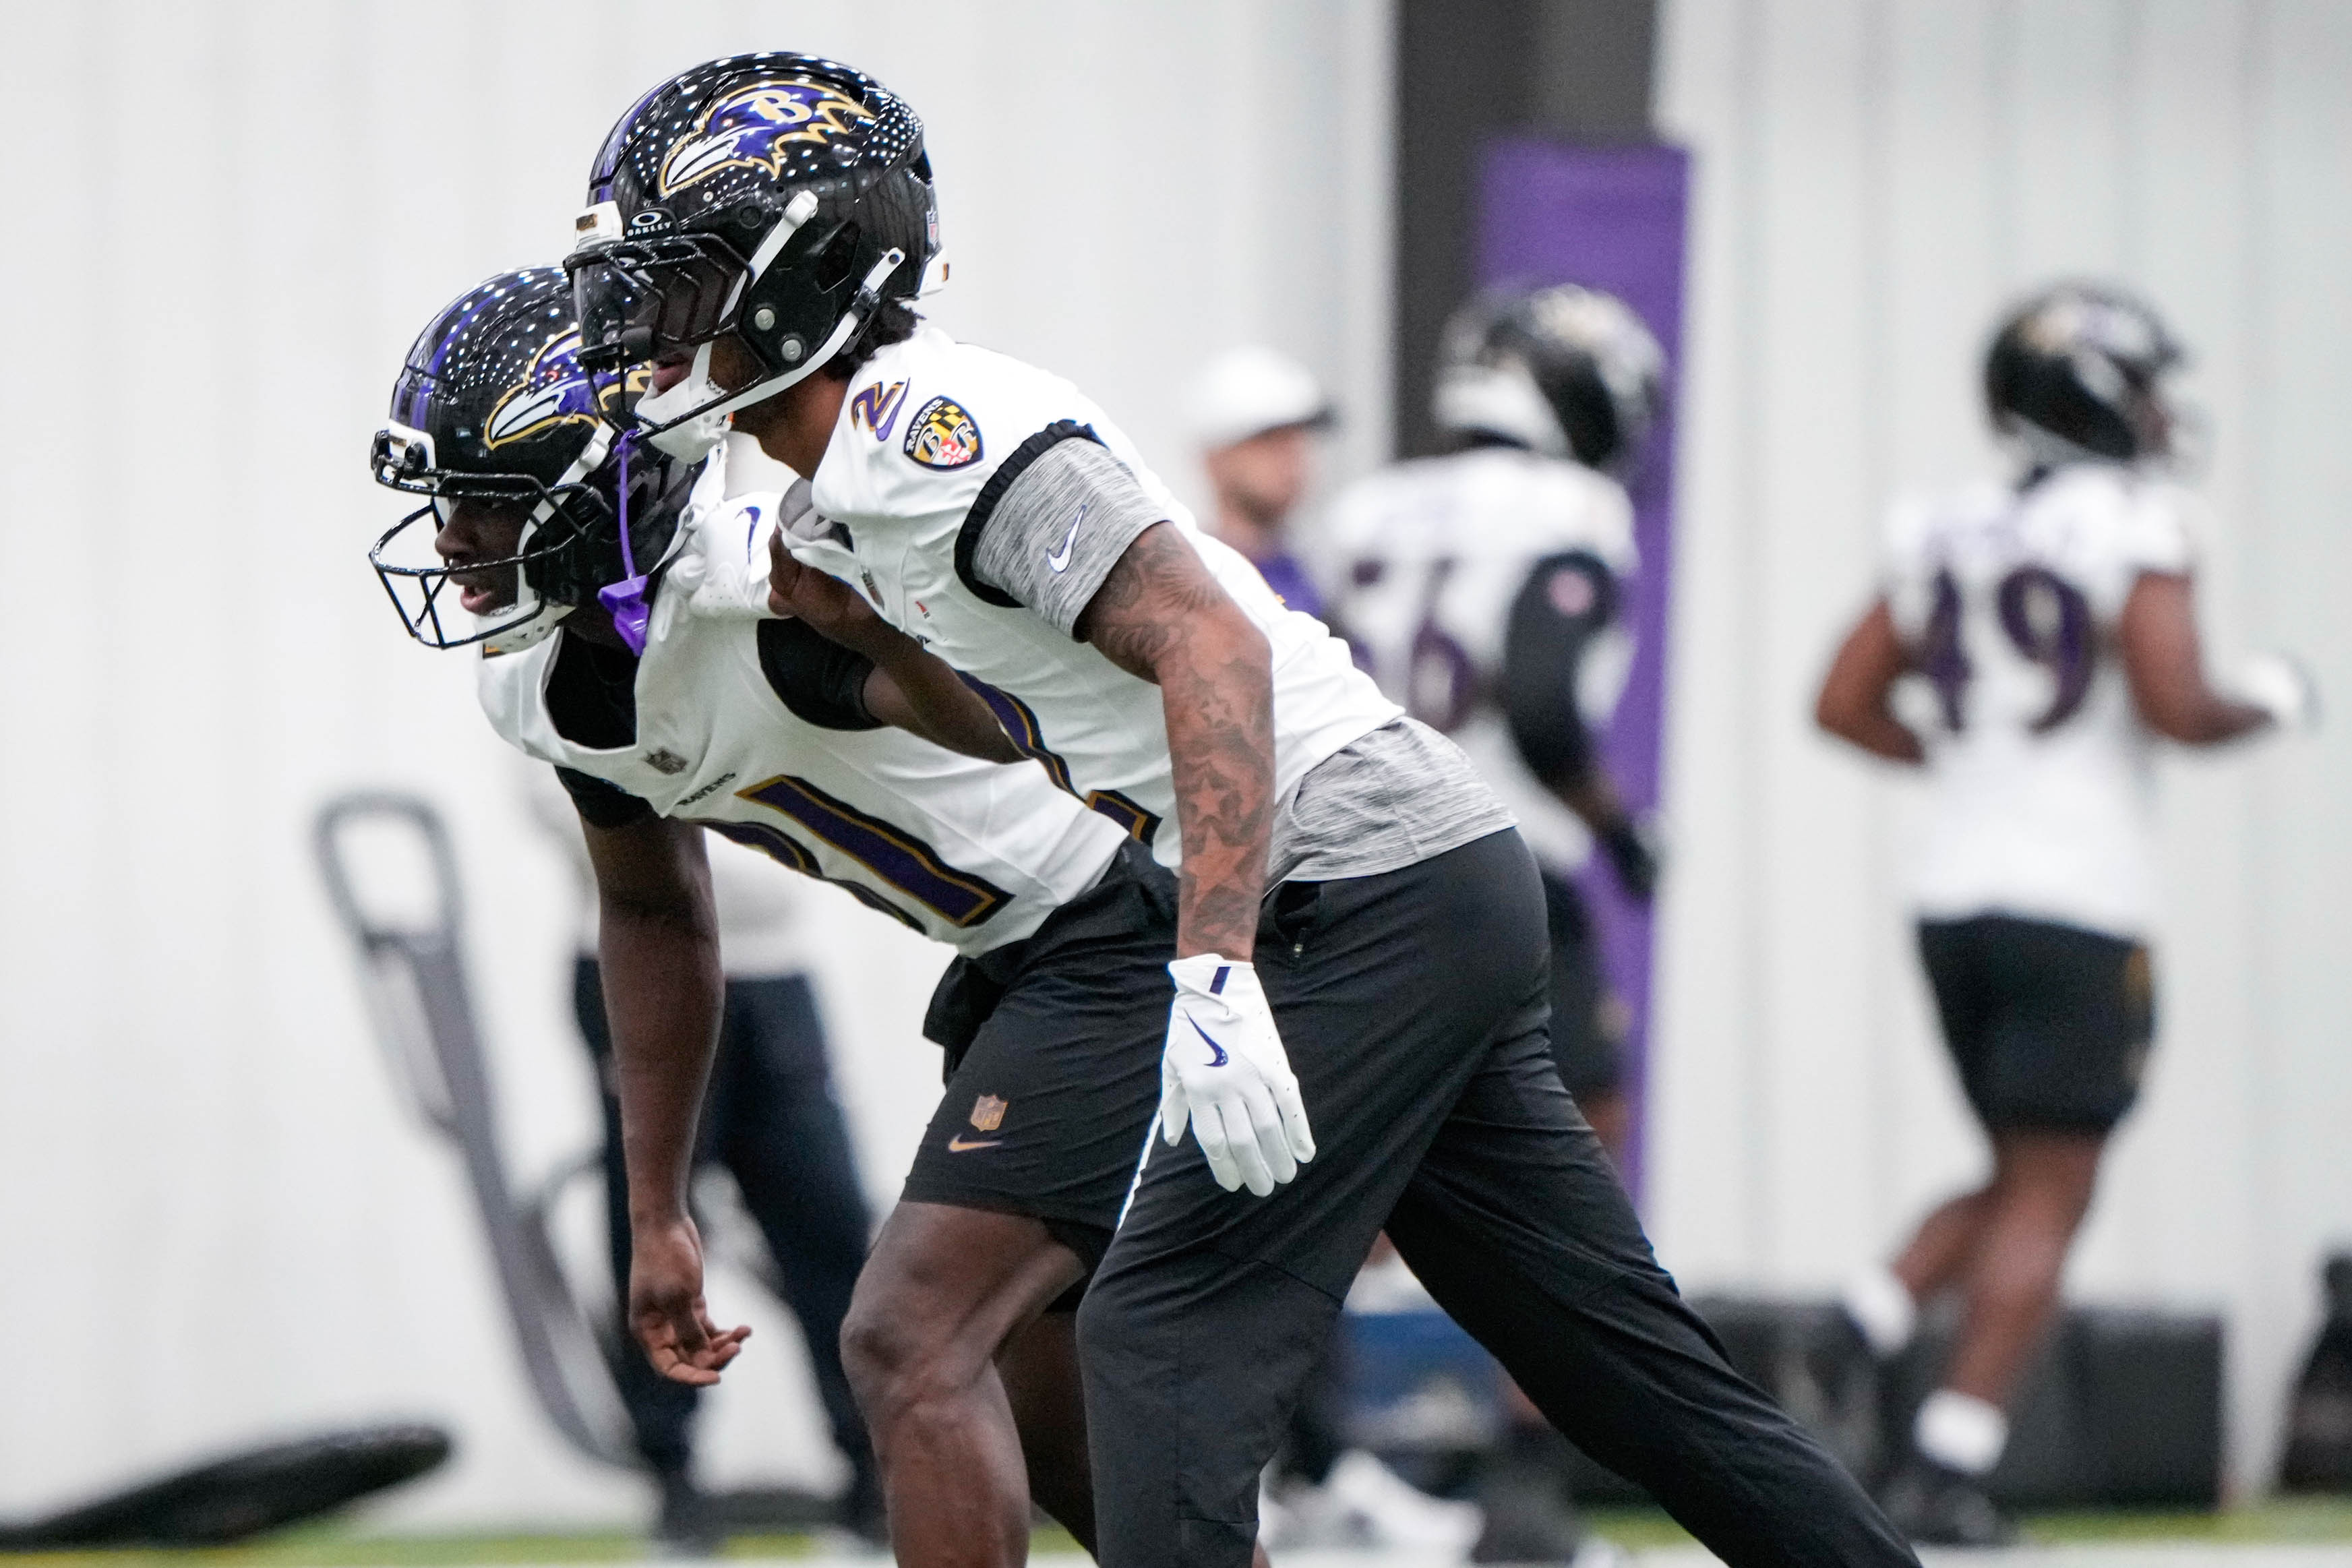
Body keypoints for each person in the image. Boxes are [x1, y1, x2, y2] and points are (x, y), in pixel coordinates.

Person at [570, 52, 1920, 1568]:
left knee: (1151, 1327)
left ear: (806, 271)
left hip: (1350, 876)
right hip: (1410, 869)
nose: (643, 318)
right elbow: (1022, 728)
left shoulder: (936, 427)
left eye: (679, 276)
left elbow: (1207, 638)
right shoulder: (834, 494)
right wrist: (874, 642)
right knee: (1626, 1370)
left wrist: (1208, 962)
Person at [368, 268, 1213, 1567]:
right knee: (1067, 1452)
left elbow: (997, 727)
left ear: (603, 491)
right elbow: (654, 915)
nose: (451, 546)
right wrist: (658, 1210)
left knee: (906, 1335)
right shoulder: (546, 685)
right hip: (1015, 961)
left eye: (482, 509)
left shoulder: (761, 586)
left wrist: (885, 633)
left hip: (1119, 927)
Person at [1815, 282, 2316, 1546]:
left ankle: (1866, 1318)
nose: (2157, 413)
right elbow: (2173, 702)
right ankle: (1947, 1466)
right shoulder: (2135, 522)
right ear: (2091, 393)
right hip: (2073, 893)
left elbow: (1841, 698)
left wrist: (1969, 765)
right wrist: (2271, 695)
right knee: (2052, 1191)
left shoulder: (1940, 526)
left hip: (1949, 893)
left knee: (2014, 1172)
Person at [1321, 282, 1662, 1161]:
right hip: (1491, 851)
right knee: (1581, 1132)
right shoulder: (1573, 509)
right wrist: (1619, 831)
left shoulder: (1369, 508)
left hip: (1349, 856)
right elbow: (1543, 706)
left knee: (1373, 1154)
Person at [524, 744, 876, 1549]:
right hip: (641, 966)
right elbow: (570, 802)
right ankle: (674, 1483)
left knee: (829, 1223)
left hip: (774, 977)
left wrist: (690, 806)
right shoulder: (572, 645)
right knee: (652, 1224)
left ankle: (871, 1477)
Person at [1185, 346, 1333, 618]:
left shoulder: (1327, 577)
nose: (1292, 457)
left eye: (1298, 439)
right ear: (1215, 458)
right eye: (1269, 441)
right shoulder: (1186, 580)